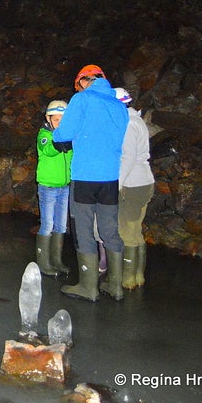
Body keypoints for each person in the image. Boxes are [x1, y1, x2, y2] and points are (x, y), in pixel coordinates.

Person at [53, 64, 128, 301]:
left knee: (83, 229)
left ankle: (88, 287)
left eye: (79, 84)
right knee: (109, 230)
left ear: (84, 80)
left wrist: (57, 134)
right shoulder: (119, 106)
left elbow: (63, 134)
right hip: (110, 178)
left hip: (85, 176)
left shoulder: (82, 99)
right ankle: (115, 286)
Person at [114, 87, 155, 289]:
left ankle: (128, 278)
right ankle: (139, 276)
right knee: (137, 229)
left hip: (133, 184)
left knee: (126, 230)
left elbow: (128, 157)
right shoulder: (137, 121)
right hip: (146, 181)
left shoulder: (128, 125)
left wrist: (118, 183)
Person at [35, 99, 72, 275]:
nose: (60, 123)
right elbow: (48, 149)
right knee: (48, 224)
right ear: (49, 119)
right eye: (56, 120)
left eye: (63, 120)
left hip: (64, 186)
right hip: (48, 186)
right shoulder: (44, 135)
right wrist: (59, 144)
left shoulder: (70, 137)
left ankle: (56, 260)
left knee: (61, 225)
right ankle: (43, 263)